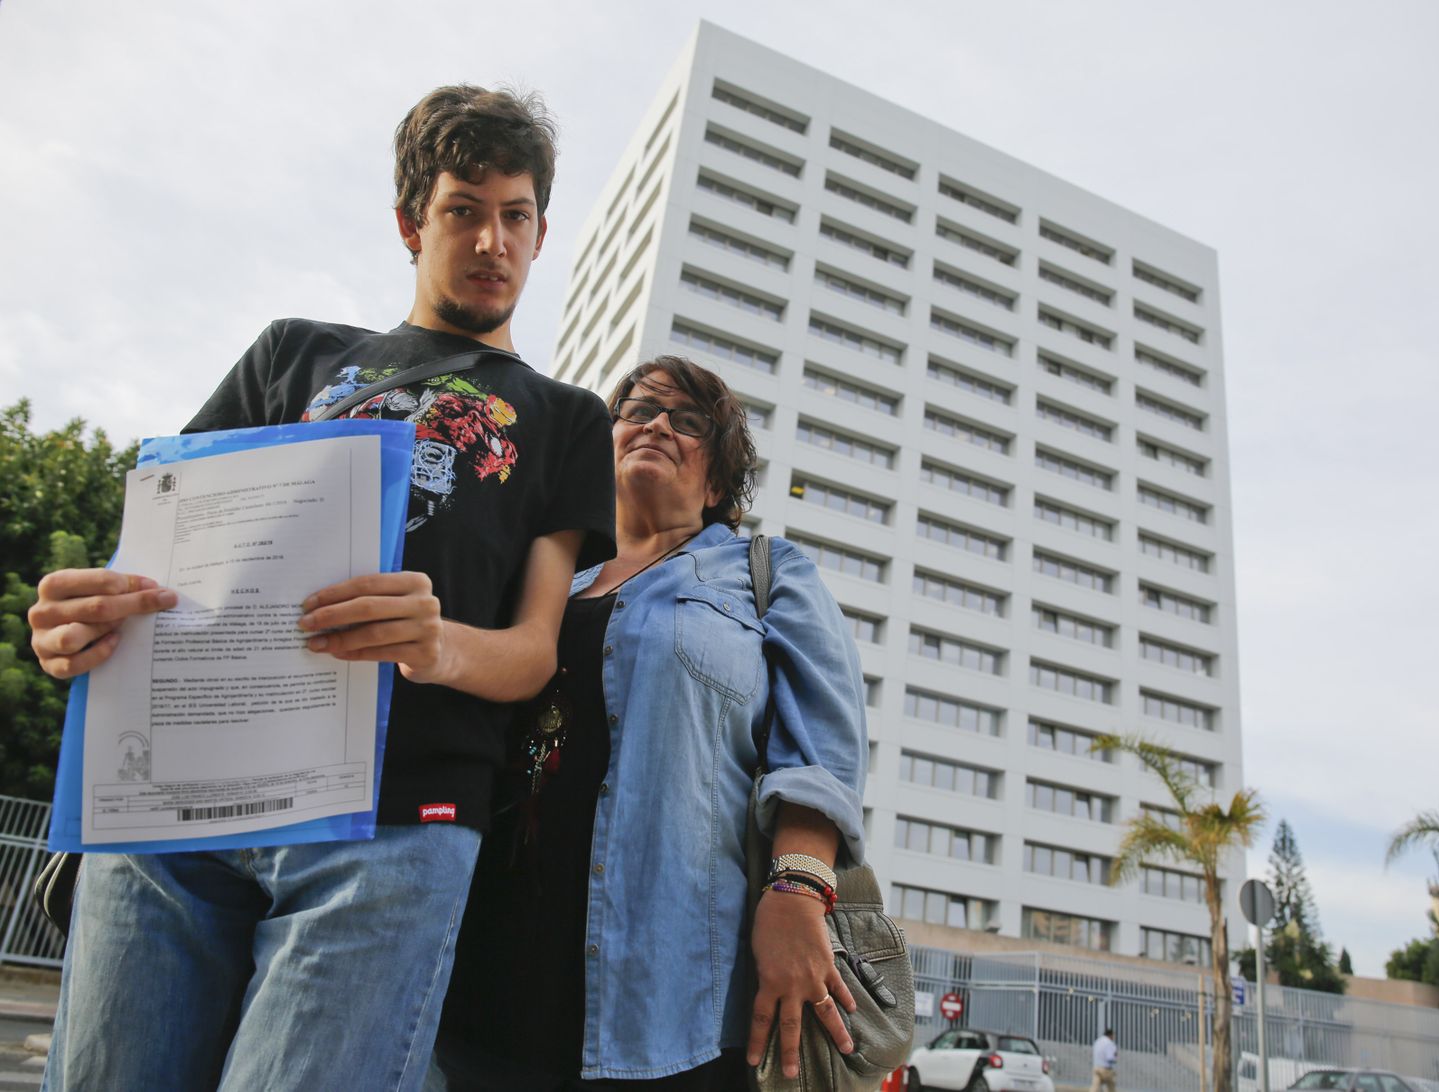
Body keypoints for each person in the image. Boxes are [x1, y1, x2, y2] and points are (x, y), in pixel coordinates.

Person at [26, 85, 616, 1091]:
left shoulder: (566, 417)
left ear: (541, 232)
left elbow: (534, 653)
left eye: (515, 216)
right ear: (408, 224)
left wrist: (437, 647)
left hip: (396, 820)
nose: (491, 240)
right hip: (181, 805)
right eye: (462, 209)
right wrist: (82, 625)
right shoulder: (292, 353)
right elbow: (160, 562)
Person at [431, 355, 869, 1089]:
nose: (658, 424)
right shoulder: (534, 574)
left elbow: (822, 745)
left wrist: (798, 889)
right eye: (638, 410)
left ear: (721, 480)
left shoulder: (768, 572)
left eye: (688, 421)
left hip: (673, 998)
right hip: (484, 971)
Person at [1090, 1028, 1118, 1092]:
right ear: (1110, 1035)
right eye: (1113, 1035)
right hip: (1105, 1069)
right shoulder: (1109, 1043)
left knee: (1095, 1087)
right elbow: (1110, 1058)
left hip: (1096, 1067)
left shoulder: (1097, 1041)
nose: (1114, 1037)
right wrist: (1115, 1056)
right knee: (1111, 1086)